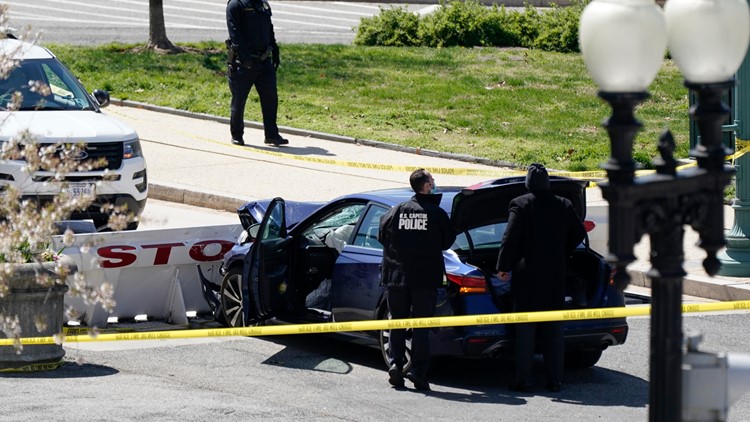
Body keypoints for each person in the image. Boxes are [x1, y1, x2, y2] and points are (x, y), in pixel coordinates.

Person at [495, 163, 586, 393]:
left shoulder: (521, 204)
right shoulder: (564, 204)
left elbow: (510, 238)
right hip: (555, 273)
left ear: (527, 184)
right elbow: (579, 233)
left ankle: (524, 379)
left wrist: (503, 267)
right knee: (554, 330)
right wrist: (562, 251)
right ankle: (555, 380)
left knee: (525, 329)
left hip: (527, 275)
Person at [378, 168, 456, 391]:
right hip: (424, 279)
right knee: (421, 326)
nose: (435, 183)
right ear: (427, 186)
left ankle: (395, 364)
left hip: (396, 277)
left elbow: (382, 236)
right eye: (432, 180)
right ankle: (418, 371)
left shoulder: (396, 211)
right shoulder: (436, 213)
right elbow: (447, 241)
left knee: (398, 322)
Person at [226, 0, 288, 146]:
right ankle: (237, 135)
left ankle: (271, 135)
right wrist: (244, 56)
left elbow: (269, 28)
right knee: (239, 101)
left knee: (270, 98)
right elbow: (234, 32)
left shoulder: (262, 4)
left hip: (264, 61)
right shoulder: (236, 4)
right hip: (243, 63)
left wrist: (274, 48)